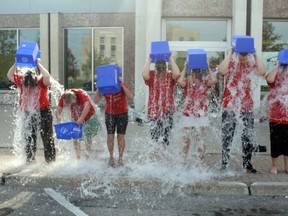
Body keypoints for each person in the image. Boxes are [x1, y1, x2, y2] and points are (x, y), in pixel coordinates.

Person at [218, 47, 266, 173]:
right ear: (237, 54)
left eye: (245, 56)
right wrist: (229, 54)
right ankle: (224, 163)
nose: (243, 58)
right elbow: (221, 71)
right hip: (230, 106)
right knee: (227, 136)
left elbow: (262, 72)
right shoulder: (231, 63)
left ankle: (247, 164)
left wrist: (256, 54)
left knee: (247, 136)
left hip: (246, 106)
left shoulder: (251, 64)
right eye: (241, 56)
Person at [7, 59, 56, 163]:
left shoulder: (40, 82)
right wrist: (16, 63)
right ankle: (29, 160)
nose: (29, 86)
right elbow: (9, 75)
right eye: (27, 84)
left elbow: (47, 76)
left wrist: (38, 64)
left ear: (35, 80)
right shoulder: (21, 81)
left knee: (47, 137)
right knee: (29, 137)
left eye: (31, 84)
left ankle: (50, 161)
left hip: (43, 112)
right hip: (28, 113)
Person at [177, 63, 217, 161]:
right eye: (191, 73)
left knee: (201, 140)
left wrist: (207, 67)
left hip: (201, 115)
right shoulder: (187, 83)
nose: (192, 75)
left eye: (194, 74)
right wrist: (185, 67)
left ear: (197, 74)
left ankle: (201, 162)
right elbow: (179, 81)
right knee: (186, 140)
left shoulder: (205, 82)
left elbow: (215, 80)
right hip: (188, 115)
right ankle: (183, 160)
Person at [94, 77, 134, 167]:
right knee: (110, 136)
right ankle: (111, 157)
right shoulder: (105, 87)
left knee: (120, 136)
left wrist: (122, 84)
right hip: (110, 114)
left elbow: (130, 96)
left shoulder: (120, 85)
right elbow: (96, 100)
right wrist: (99, 87)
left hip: (122, 113)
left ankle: (120, 158)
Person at [142, 56, 180, 146]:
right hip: (154, 112)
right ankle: (155, 158)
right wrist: (149, 60)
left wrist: (171, 58)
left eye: (162, 66)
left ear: (166, 67)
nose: (161, 68)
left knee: (165, 138)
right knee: (154, 138)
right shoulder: (152, 75)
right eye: (159, 66)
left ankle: (164, 158)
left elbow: (177, 74)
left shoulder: (169, 76)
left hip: (167, 111)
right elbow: (144, 75)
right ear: (155, 67)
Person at [56, 89, 101, 160]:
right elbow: (58, 110)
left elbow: (87, 106)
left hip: (89, 116)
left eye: (72, 104)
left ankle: (87, 157)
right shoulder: (64, 96)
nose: (71, 106)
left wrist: (81, 118)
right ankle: (78, 157)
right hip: (75, 117)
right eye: (69, 105)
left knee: (88, 136)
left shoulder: (81, 94)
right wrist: (59, 122)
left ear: (75, 98)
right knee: (75, 137)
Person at [266, 61, 288, 174]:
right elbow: (269, 79)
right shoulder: (275, 76)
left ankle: (287, 166)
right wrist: (278, 64)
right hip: (275, 116)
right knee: (275, 142)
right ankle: (274, 166)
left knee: (287, 143)